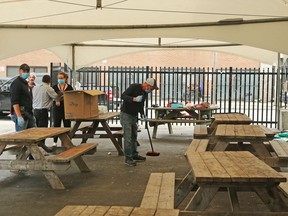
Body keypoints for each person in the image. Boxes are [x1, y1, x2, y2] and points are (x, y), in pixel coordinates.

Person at [120, 77, 159, 166]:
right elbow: (123, 96)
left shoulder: (144, 93)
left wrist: (142, 114)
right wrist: (133, 99)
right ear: (147, 85)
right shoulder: (134, 87)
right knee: (128, 138)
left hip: (134, 116)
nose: (151, 90)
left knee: (134, 136)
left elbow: (141, 104)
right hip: (126, 115)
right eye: (152, 88)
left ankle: (134, 155)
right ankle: (128, 159)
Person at [10, 63, 36, 132]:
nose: (26, 73)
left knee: (34, 134)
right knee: (21, 137)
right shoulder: (16, 83)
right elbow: (15, 102)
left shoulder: (25, 83)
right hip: (21, 113)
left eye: (27, 71)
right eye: (24, 71)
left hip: (28, 112)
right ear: (20, 71)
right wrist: (19, 116)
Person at [52, 72, 73, 146]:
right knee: (56, 125)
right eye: (59, 78)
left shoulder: (69, 87)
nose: (60, 80)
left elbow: (72, 97)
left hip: (66, 108)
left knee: (67, 124)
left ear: (65, 78)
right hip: (57, 108)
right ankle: (55, 142)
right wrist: (57, 100)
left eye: (61, 78)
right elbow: (51, 96)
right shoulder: (54, 87)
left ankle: (67, 141)